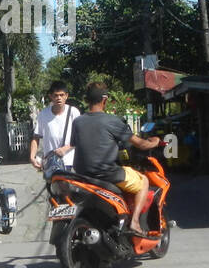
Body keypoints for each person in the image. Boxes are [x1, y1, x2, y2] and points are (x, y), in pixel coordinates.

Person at [71, 82, 162, 236]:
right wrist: (156, 141)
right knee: (144, 182)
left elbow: (76, 143)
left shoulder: (77, 121)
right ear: (104, 100)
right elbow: (141, 144)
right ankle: (134, 222)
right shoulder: (112, 121)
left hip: (82, 175)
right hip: (107, 174)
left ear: (87, 100)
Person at [30, 80, 80, 178]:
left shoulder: (73, 112)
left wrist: (66, 149)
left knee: (64, 190)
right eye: (56, 95)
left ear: (66, 96)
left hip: (68, 161)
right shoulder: (43, 114)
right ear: (51, 96)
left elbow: (80, 137)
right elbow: (36, 137)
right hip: (50, 162)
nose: (59, 98)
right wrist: (32, 157)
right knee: (53, 190)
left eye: (61, 95)